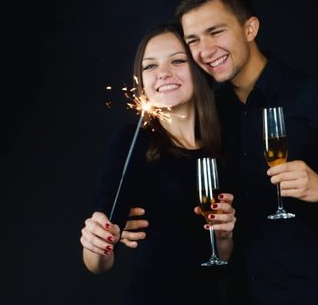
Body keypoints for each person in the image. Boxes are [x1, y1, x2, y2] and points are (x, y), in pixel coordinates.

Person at [121, 0, 318, 304]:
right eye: (193, 40)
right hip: (245, 295)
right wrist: (133, 225)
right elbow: (193, 197)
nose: (206, 50)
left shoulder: (316, 97)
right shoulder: (213, 115)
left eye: (216, 32)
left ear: (250, 28)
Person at [79, 23, 237, 305]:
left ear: (198, 69)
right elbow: (97, 263)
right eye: (150, 66)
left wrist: (223, 236)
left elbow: (222, 259)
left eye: (177, 60)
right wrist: (96, 241)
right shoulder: (131, 143)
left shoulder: (226, 141)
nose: (163, 73)